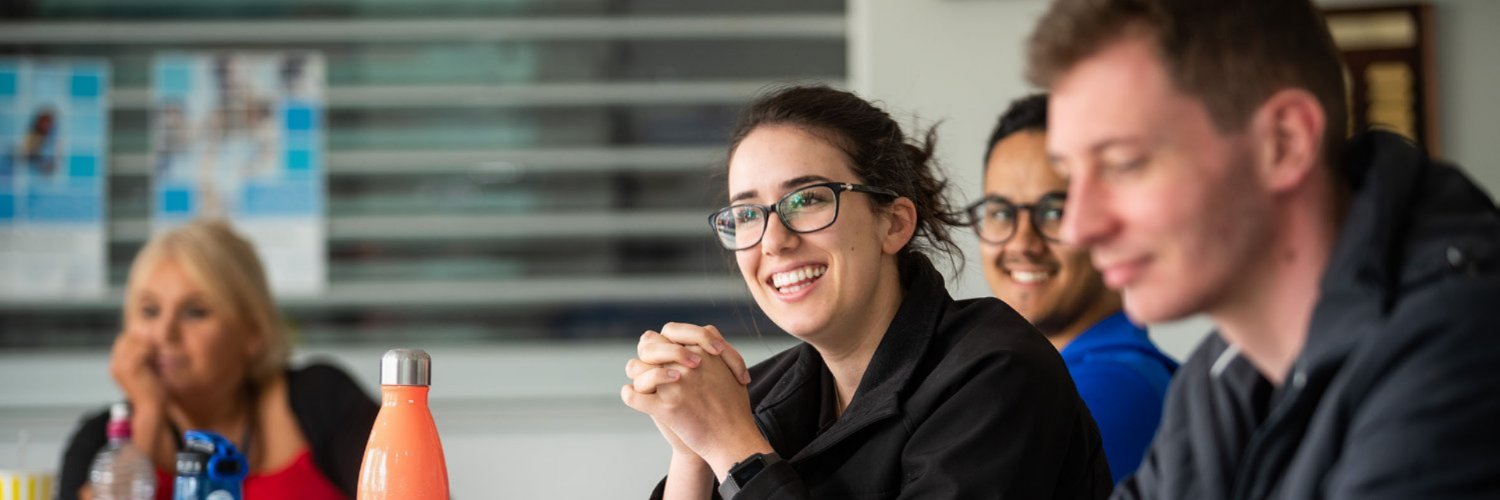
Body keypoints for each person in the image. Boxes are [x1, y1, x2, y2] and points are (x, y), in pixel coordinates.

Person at [1027, 0, 1500, 498]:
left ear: (1285, 142)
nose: (1078, 227)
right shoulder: (1223, 372)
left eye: (1123, 164)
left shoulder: (1460, 347)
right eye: (1070, 177)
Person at [620, 85, 1112, 499]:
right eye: (747, 214)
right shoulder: (764, 395)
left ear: (893, 224)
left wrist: (733, 449)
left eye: (808, 200)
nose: (774, 240)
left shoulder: (997, 373)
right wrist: (693, 454)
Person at [59, 219, 377, 500]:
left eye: (195, 312)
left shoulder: (322, 398)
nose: (164, 333)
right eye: (150, 311)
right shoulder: (98, 441)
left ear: (252, 332)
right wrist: (149, 416)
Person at [969, 93, 1176, 484]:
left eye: (1053, 211)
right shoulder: (1040, 377)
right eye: (1001, 212)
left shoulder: (1109, 390)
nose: (1022, 243)